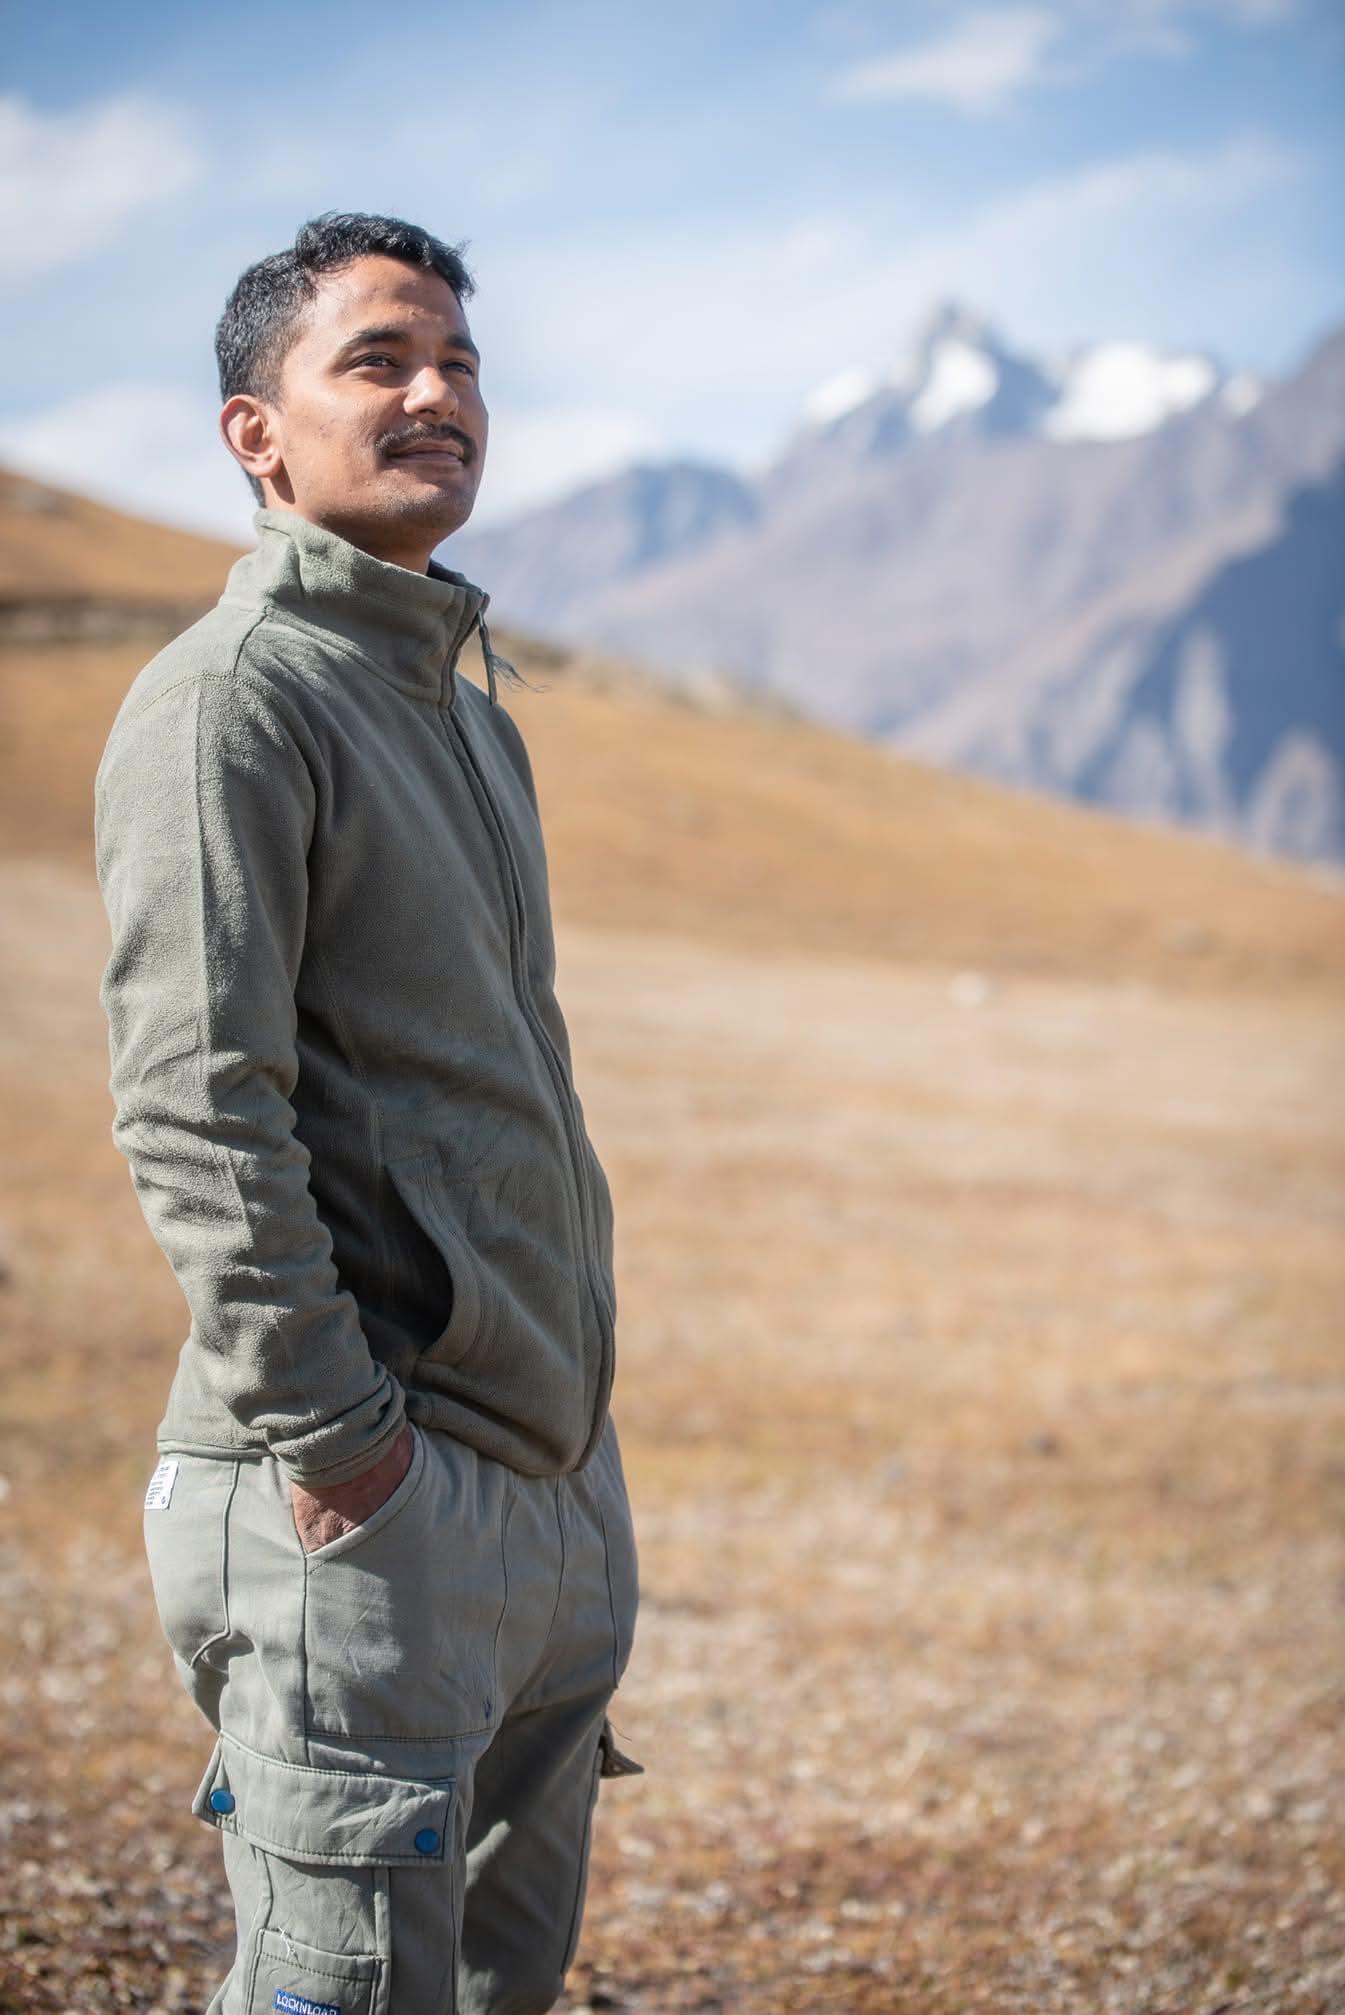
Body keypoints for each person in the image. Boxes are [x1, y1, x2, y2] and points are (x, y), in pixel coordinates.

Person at [95, 212, 640, 2015]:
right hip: (369, 1500)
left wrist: (565, 1473)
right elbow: (194, 1108)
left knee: (497, 1988)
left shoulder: (473, 716)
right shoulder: (230, 705)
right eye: (380, 362)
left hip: (544, 1491)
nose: (437, 396)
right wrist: (340, 1447)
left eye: (461, 364)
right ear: (258, 433)